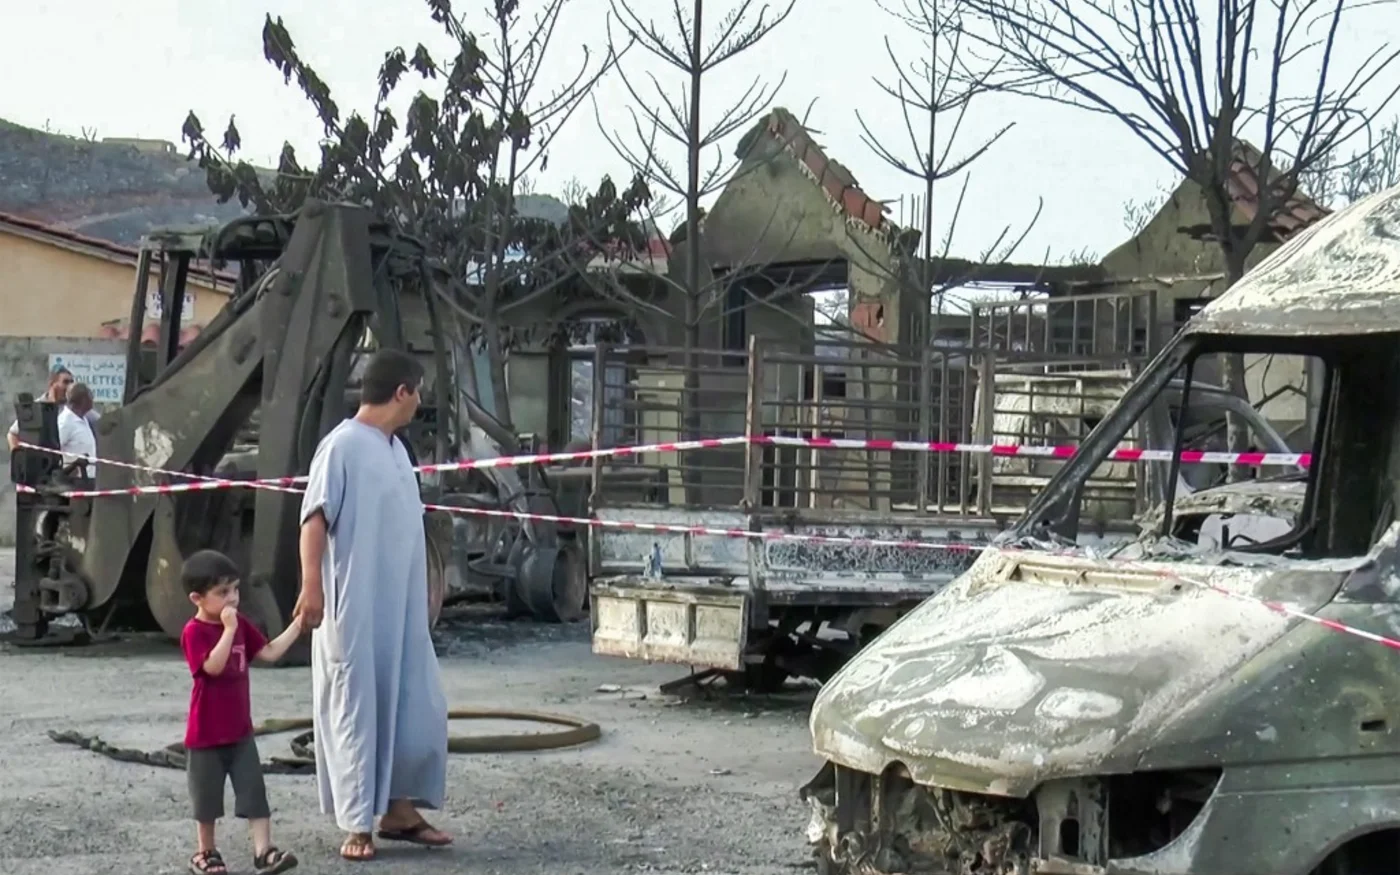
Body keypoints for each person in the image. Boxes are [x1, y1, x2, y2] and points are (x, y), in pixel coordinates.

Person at [294, 348, 452, 862]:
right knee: (358, 707)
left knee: (411, 702)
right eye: (418, 390)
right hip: (355, 605)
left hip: (401, 609)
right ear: (401, 391)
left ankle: (399, 811)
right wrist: (311, 586)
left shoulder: (397, 450)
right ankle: (357, 822)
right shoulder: (340, 447)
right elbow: (314, 519)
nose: (420, 401)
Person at [181, 549, 304, 875]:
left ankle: (264, 851)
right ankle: (205, 852)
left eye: (234, 589)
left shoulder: (240, 623)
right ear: (198, 598)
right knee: (206, 799)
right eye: (222, 593)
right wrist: (228, 631)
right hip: (205, 734)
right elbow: (213, 666)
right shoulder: (194, 632)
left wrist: (299, 623)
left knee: (253, 791)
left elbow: (269, 652)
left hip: (239, 730)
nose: (232, 599)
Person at [6, 365, 74, 451]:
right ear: (52, 384)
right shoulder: (37, 407)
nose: (70, 387)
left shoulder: (70, 411)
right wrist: (17, 457)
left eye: (72, 382)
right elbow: (12, 434)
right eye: (66, 382)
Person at [57, 382, 98, 479]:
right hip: (74, 481)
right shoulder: (65, 422)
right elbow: (52, 450)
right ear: (83, 400)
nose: (93, 400)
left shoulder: (83, 418)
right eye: (90, 396)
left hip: (88, 479)